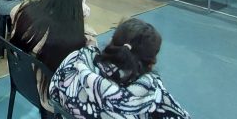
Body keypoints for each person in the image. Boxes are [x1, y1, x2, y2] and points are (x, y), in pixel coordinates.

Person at [48, 18, 190, 119]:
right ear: (151, 61)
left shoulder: (75, 61)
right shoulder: (153, 96)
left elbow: (52, 93)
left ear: (112, 41)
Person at [10, 0, 95, 114]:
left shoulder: (25, 12)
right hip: (49, 96)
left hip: (23, 80)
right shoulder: (76, 40)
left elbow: (14, 10)